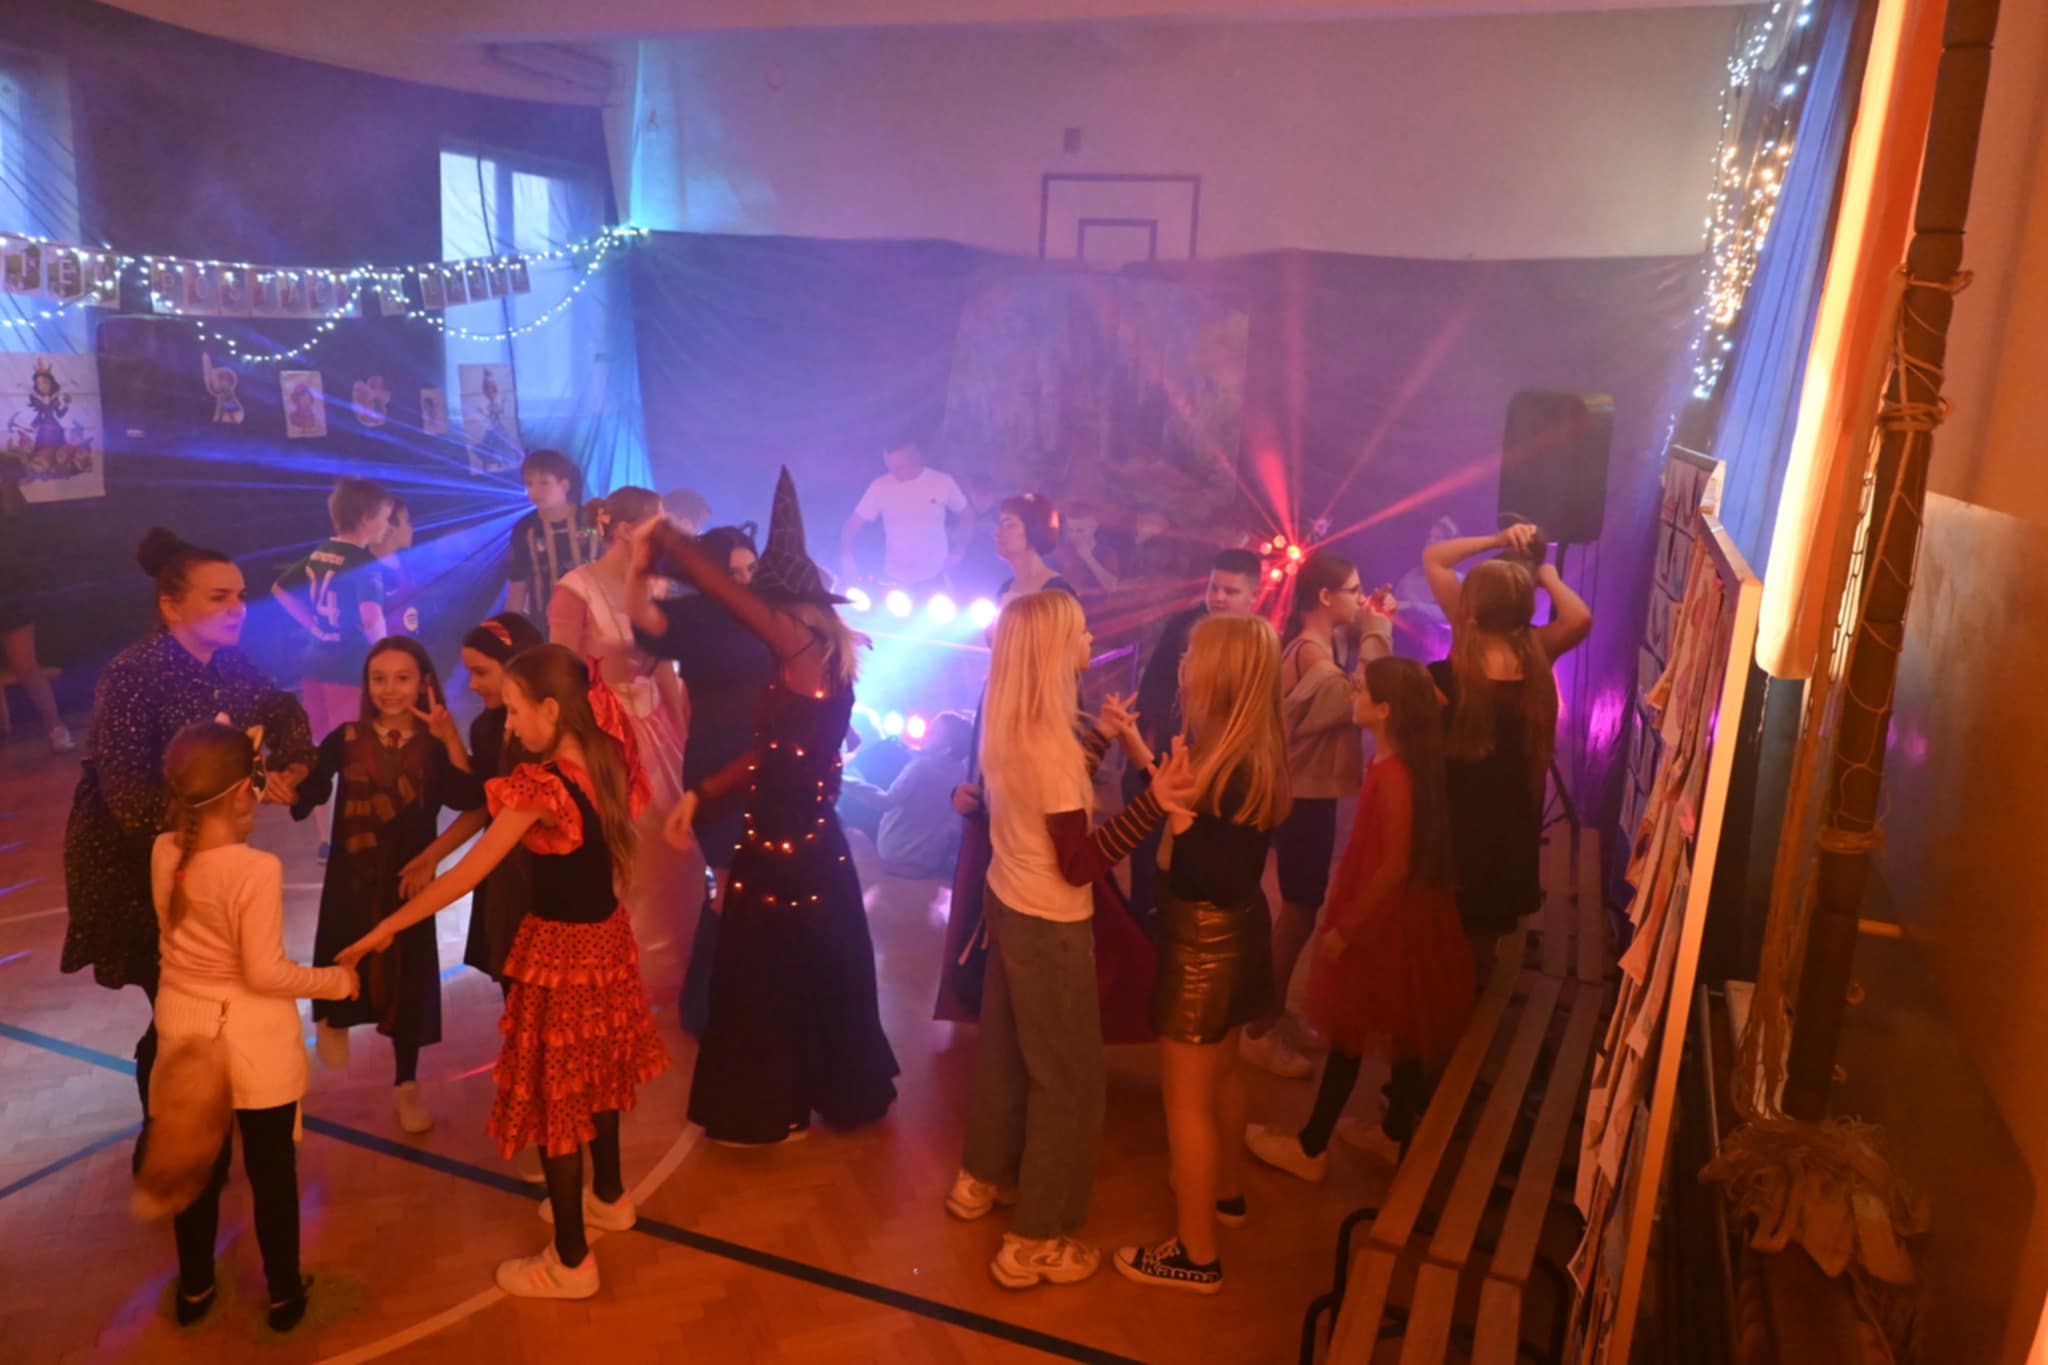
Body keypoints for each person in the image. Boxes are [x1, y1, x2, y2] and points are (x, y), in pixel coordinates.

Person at [337, 645, 668, 1299]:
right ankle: (610, 1197)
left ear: (552, 708)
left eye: (515, 711)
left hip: (562, 956)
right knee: (599, 1077)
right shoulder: (604, 757)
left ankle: (570, 1262)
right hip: (606, 944)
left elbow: (466, 874)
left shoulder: (543, 787)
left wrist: (386, 927)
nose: (509, 726)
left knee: (556, 1098)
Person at [640, 468, 900, 1145]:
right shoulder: (816, 655)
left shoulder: (801, 645)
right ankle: (807, 1094)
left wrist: (670, 538)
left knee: (766, 975)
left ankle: (777, 1107)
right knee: (808, 967)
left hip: (789, 849)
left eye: (768, 607)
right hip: (803, 841)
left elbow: (727, 592)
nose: (759, 618)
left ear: (790, 609)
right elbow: (775, 750)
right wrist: (703, 792)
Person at [947, 589, 1191, 1291]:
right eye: (1081, 632)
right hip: (1049, 925)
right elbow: (1079, 861)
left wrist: (1101, 736)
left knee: (1004, 1051)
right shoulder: (1049, 745)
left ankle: (981, 1178)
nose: (1091, 640)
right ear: (1056, 650)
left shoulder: (1010, 721)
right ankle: (1035, 1240)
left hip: (1008, 903)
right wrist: (1154, 804)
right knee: (1071, 1080)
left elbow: (1046, 801)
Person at [63, 530, 314, 1156]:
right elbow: (128, 798)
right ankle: (168, 1142)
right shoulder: (133, 676)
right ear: (172, 606)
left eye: (240, 595)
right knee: (176, 1009)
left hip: (203, 856)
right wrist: (224, 809)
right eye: (218, 597)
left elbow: (279, 709)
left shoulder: (230, 662)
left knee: (193, 1005)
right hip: (136, 865)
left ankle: (193, 1134)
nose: (237, 609)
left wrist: (293, 764)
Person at [133, 721, 358, 1333]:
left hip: (182, 1033)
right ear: (242, 792)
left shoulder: (164, 849)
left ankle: (196, 1288)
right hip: (254, 1044)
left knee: (197, 1166)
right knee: (272, 1172)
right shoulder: (254, 869)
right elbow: (265, 972)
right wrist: (336, 981)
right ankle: (284, 1295)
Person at [1112, 614, 1291, 1294]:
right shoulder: (1242, 748)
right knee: (1224, 1073)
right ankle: (1226, 1193)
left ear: (1220, 675)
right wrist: (1140, 750)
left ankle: (1195, 1253)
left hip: (1203, 943)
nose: (1182, 665)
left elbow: (1219, 872)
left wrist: (1180, 821)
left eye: (1193, 656)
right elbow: (1181, 799)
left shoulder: (1237, 762)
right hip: (1235, 935)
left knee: (1185, 1102)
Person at [1244, 656, 1474, 1178]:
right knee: (1405, 1025)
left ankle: (1311, 1147)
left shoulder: (1394, 775)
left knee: (1349, 1033)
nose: (1354, 696)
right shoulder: (1403, 763)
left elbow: (1394, 865)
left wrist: (1348, 928)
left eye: (1363, 690)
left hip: (1380, 917)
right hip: (1404, 913)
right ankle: (1393, 1132)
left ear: (1385, 710)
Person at [291, 637, 482, 1135]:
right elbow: (311, 789)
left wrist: (449, 737)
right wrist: (281, 784)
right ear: (366, 684)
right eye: (379, 678)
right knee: (342, 951)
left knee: (408, 979)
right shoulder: (347, 737)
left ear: (424, 683)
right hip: (351, 876)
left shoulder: (434, 747)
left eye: (402, 678)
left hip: (408, 881)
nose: (390, 689)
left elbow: (469, 797)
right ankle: (332, 1015)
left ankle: (406, 1081)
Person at [1240, 552, 1393, 1081]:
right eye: (1353, 589)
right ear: (1325, 598)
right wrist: (1377, 632)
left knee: (1301, 908)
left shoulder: (1321, 646)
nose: (1360, 597)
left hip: (1309, 792)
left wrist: (1367, 625)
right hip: (1300, 797)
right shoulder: (1311, 655)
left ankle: (1271, 1012)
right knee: (1299, 912)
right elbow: (1364, 700)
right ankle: (1258, 1029)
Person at [1421, 523, 1592, 978]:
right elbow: (1580, 618)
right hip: (1512, 810)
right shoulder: (1537, 648)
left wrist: (1496, 540)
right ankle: (1479, 983)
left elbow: (1435, 558)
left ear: (1471, 605)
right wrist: (1547, 574)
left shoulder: (1464, 638)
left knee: (1448, 915)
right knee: (1488, 924)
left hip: (1456, 806)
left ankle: (1448, 992)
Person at [626, 521, 774, 1039]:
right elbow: (643, 617)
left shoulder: (768, 612)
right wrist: (640, 567)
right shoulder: (697, 617)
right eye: (732, 571)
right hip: (716, 764)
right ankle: (706, 1010)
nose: (744, 579)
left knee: (763, 885)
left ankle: (748, 1001)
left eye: (751, 568)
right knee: (730, 887)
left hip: (768, 762)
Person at [550, 487, 692, 966]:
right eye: (657, 525)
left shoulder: (657, 586)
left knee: (674, 853)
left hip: (658, 727)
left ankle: (674, 971)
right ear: (627, 531)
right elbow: (562, 673)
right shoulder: (576, 589)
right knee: (622, 856)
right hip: (604, 733)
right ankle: (620, 973)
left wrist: (686, 734)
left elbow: (666, 666)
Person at [1123, 547, 1264, 925]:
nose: (1218, 597)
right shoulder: (1185, 626)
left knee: (1199, 856)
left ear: (1254, 595)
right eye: (1214, 587)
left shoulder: (1258, 643)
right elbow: (1153, 689)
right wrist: (1145, 748)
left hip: (1221, 765)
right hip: (1170, 754)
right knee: (1149, 856)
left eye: (1231, 591)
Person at [272, 477, 394, 858]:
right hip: (349, 669)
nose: (388, 526)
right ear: (367, 518)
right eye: (385, 517)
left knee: (319, 751)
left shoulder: (321, 552)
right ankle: (360, 832)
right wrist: (388, 659)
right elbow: (371, 617)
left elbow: (279, 589)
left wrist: (313, 624)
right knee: (357, 752)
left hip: (315, 663)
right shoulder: (364, 564)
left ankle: (326, 839)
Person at [840, 711, 973, 880]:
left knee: (855, 804)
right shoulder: (960, 771)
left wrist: (845, 780)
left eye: (933, 732)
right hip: (930, 856)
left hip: (899, 852)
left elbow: (887, 802)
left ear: (946, 748)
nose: (925, 733)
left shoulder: (920, 767)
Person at [0, 451, 73, 751]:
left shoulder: (21, 514)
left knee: (26, 667)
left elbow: (28, 561)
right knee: (27, 667)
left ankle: (55, 727)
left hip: (13, 597)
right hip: (15, 595)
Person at [839, 438, 972, 590]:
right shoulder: (880, 487)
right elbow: (852, 524)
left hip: (935, 574)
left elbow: (967, 515)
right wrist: (846, 559)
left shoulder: (942, 482)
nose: (893, 473)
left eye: (899, 467)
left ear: (915, 459)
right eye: (889, 467)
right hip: (894, 576)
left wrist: (959, 550)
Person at [505, 449, 600, 623]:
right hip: (546, 619)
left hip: (594, 617)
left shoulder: (592, 519)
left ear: (564, 485)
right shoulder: (525, 528)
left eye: (544, 483)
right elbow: (518, 583)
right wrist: (512, 628)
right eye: (529, 484)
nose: (535, 491)